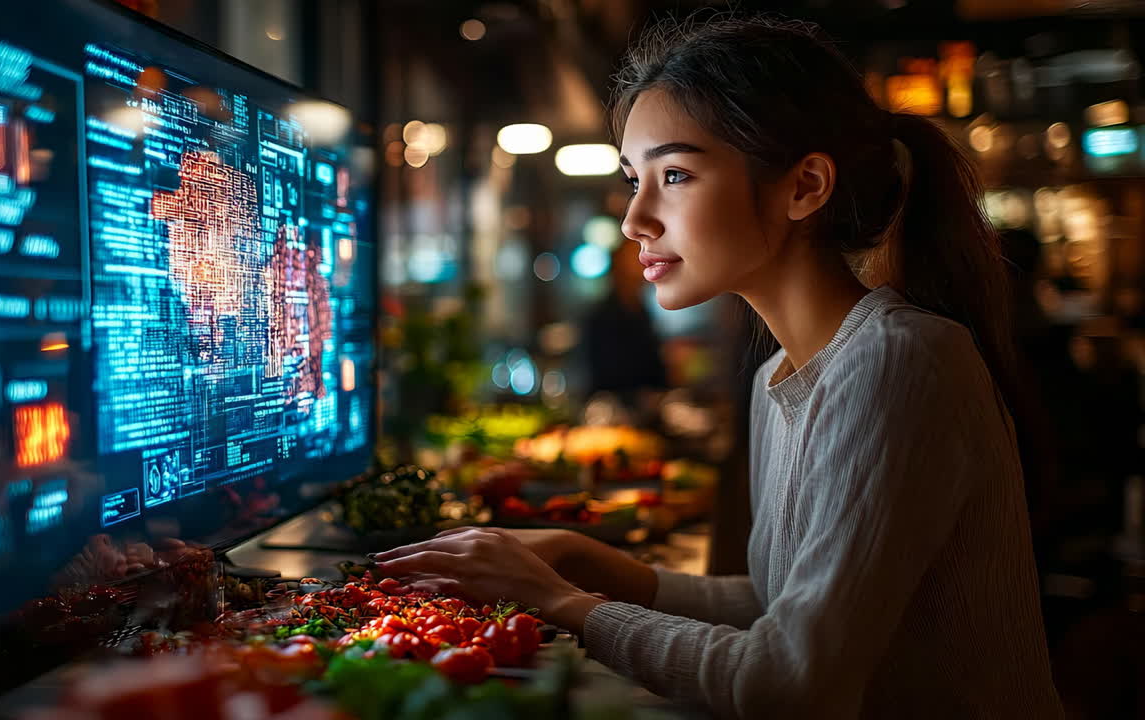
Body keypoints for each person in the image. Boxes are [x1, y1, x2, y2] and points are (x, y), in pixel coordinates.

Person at [375, 15, 1062, 719]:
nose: (634, 218)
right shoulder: (780, 380)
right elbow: (779, 603)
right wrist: (606, 568)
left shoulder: (897, 358)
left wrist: (564, 604)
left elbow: (791, 681)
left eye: (674, 175)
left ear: (805, 187)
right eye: (633, 179)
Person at [581, 240, 670, 401]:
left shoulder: (641, 309)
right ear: (619, 264)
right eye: (635, 257)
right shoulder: (603, 315)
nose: (644, 263)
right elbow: (607, 373)